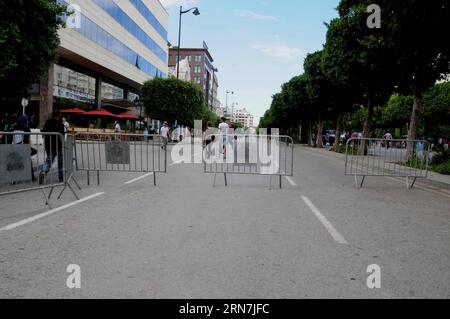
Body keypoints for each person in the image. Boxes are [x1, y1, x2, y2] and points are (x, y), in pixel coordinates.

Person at [39, 112, 65, 184]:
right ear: (58, 117)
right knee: (60, 162)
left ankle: (44, 171)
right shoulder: (60, 124)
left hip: (48, 145)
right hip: (57, 145)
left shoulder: (47, 123)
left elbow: (43, 135)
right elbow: (61, 136)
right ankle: (61, 177)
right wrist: (62, 145)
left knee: (49, 159)